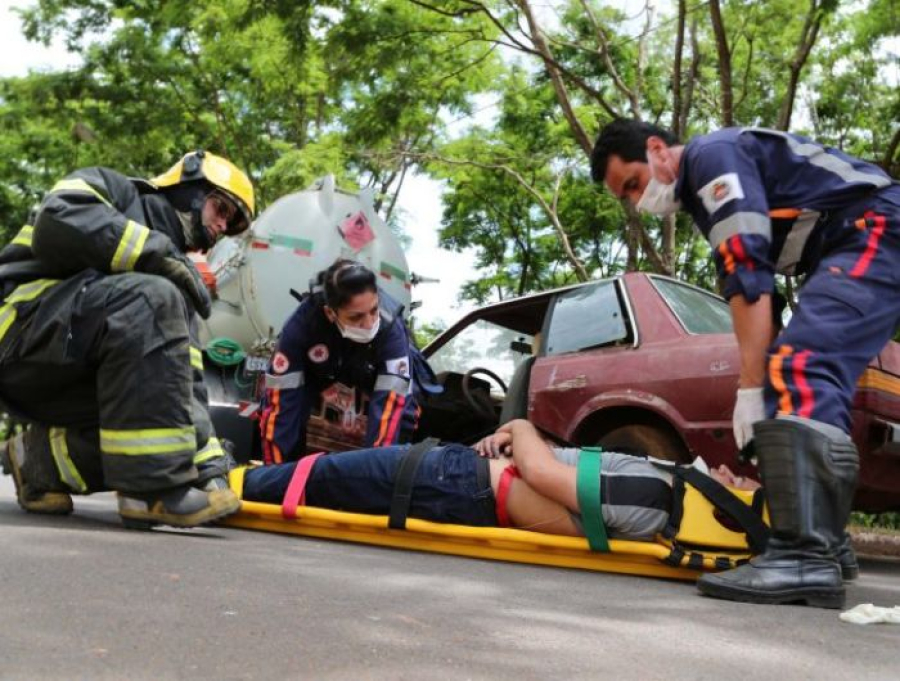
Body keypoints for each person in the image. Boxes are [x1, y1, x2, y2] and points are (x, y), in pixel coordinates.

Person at [590, 119, 899, 607]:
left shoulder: (712, 159)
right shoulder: (703, 195)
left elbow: (747, 269)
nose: (637, 200)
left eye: (633, 182)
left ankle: (804, 557)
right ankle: (825, 542)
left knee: (802, 365)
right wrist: (761, 385)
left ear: (656, 149)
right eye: (626, 197)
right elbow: (756, 299)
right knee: (798, 373)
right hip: (858, 239)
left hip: (875, 229)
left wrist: (751, 389)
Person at [0, 150, 255, 529]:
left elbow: (186, 385)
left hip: (65, 371)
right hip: (16, 332)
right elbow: (58, 220)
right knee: (151, 297)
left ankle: (38, 460)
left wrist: (210, 470)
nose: (222, 225)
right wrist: (159, 254)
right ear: (189, 189)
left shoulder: (172, 286)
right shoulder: (116, 190)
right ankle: (150, 492)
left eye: (231, 222)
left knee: (158, 417)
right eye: (221, 209)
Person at [243, 419, 762, 542]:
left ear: (732, 505)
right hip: (458, 478)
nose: (734, 471)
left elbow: (542, 475)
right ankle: (233, 479)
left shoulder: (655, 497)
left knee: (319, 476)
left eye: (745, 483)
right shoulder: (663, 490)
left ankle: (224, 485)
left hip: (453, 483)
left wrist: (520, 428)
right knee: (320, 477)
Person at [258, 259, 438, 464]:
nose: (370, 324)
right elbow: (280, 406)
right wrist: (275, 473)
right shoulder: (301, 326)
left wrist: (375, 472)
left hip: (371, 373)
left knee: (403, 417)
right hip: (318, 371)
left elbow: (390, 411)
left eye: (373, 310)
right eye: (356, 317)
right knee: (287, 418)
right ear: (330, 313)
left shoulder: (390, 330)